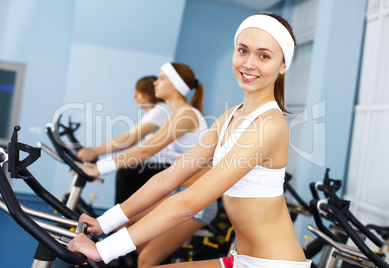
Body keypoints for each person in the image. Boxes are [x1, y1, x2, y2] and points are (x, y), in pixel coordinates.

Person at [68, 13, 312, 268]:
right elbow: (169, 176)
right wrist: (106, 222)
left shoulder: (269, 125)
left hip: (274, 263)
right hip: (241, 259)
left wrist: (103, 249)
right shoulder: (231, 116)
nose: (249, 63)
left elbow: (189, 202)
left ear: (283, 65)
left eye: (264, 55)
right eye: (243, 50)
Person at [81, 62, 216, 267]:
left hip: (197, 201)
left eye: (161, 78)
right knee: (124, 226)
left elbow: (145, 151)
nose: (155, 82)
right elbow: (143, 146)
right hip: (177, 193)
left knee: (145, 260)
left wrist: (100, 167)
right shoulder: (179, 115)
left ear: (175, 85)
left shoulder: (187, 116)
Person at [76, 75, 172, 203]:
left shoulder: (160, 110)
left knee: (126, 174)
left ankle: (122, 221)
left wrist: (94, 152)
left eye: (139, 91)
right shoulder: (155, 113)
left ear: (150, 92)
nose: (134, 96)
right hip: (170, 165)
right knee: (129, 172)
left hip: (174, 167)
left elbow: (130, 139)